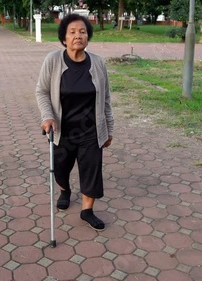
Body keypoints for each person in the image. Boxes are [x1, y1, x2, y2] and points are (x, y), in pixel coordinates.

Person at [36, 14, 114, 231]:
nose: (78, 36)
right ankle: (65, 191)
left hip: (91, 131)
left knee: (91, 170)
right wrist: (47, 117)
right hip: (62, 130)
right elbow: (41, 91)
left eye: (82, 31)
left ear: (88, 37)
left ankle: (87, 210)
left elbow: (105, 98)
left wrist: (109, 129)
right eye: (72, 32)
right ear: (64, 39)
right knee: (60, 168)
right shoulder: (53, 60)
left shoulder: (98, 63)